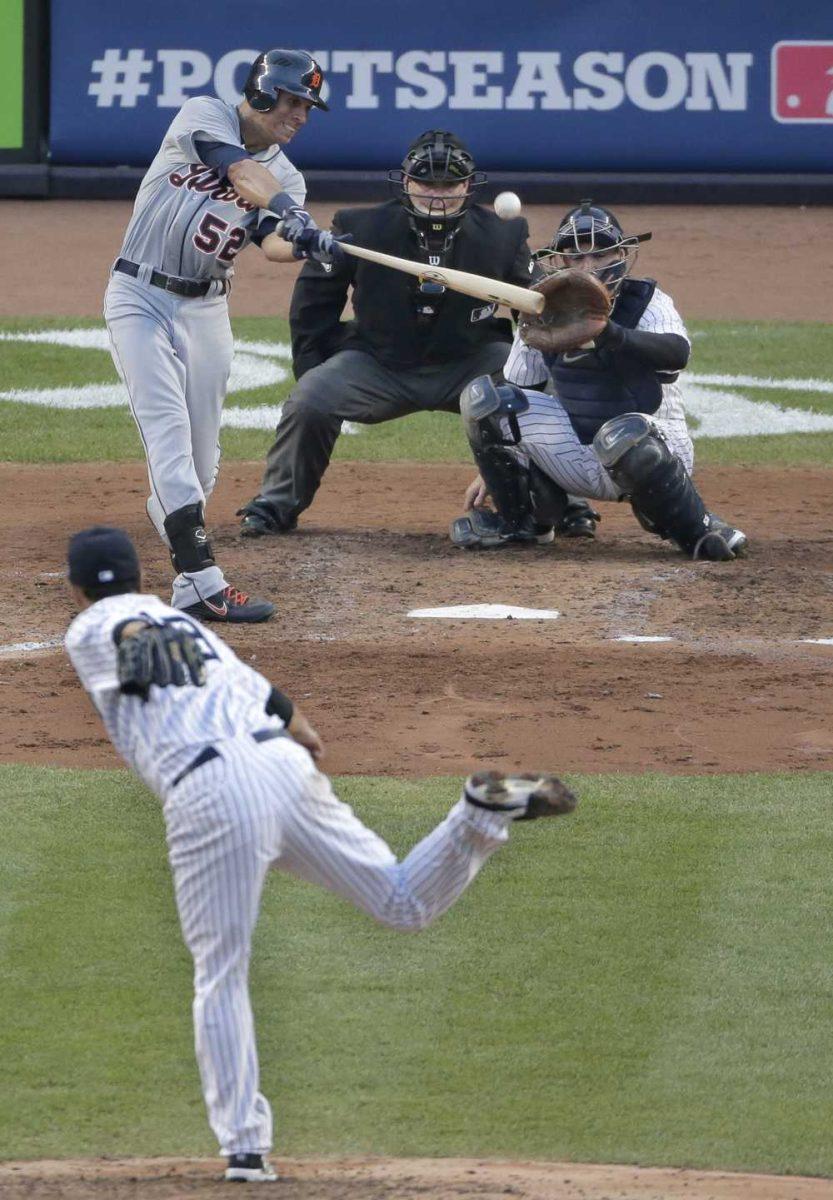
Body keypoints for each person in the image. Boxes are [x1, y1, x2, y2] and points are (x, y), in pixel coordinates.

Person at [63, 524, 577, 1184]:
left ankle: (245, 1148)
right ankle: (478, 816)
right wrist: (302, 728)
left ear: (77, 587)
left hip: (211, 790)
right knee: (401, 902)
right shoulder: (178, 618)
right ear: (140, 573)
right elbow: (264, 693)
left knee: (220, 971)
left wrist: (135, 643)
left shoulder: (93, 627)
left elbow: (121, 634)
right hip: (278, 762)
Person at [104, 48, 348, 624]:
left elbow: (270, 243)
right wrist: (290, 210)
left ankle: (174, 513)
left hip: (206, 311)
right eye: (294, 101)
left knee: (202, 462)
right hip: (139, 295)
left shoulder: (288, 174)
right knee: (166, 434)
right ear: (262, 93)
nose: (302, 116)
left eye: (308, 106)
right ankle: (199, 582)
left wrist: (311, 245)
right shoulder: (204, 116)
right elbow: (240, 173)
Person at [238, 129, 575, 538]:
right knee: (311, 399)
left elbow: (535, 314)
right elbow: (312, 306)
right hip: (379, 363)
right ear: (406, 183)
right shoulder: (358, 228)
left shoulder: (503, 235)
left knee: (553, 391)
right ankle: (276, 504)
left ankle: (567, 503)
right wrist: (313, 369)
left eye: (448, 184)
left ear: (468, 185)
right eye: (426, 183)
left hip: (473, 363)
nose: (437, 195)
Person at [450, 201, 748, 561]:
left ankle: (698, 528)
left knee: (620, 435)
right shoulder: (543, 311)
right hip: (576, 453)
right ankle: (523, 522)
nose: (587, 267)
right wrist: (497, 471)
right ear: (559, 261)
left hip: (653, 451)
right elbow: (517, 394)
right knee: (485, 399)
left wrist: (611, 335)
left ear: (622, 255)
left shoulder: (646, 302)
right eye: (575, 257)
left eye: (599, 255)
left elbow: (675, 355)